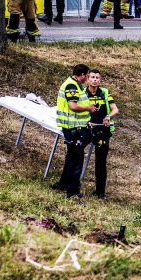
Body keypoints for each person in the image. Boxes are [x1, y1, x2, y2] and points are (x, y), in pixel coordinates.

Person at [52, 64, 96, 199]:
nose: (87, 78)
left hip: (75, 126)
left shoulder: (75, 85)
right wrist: (88, 108)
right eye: (87, 76)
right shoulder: (71, 86)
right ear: (82, 75)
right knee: (77, 158)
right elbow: (73, 106)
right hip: (73, 128)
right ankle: (72, 191)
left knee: (71, 156)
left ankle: (63, 184)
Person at [83, 69, 119, 199]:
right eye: (92, 77)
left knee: (101, 162)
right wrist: (86, 121)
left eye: (97, 77)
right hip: (87, 129)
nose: (95, 80)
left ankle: (100, 192)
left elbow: (115, 109)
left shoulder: (104, 92)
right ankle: (71, 186)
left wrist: (108, 116)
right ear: (87, 79)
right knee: (75, 153)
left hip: (102, 131)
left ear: (100, 80)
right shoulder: (83, 93)